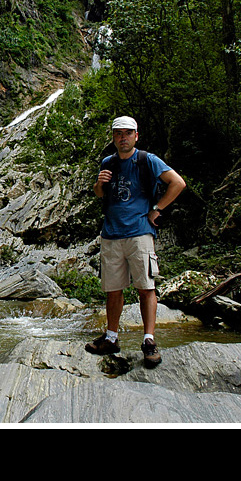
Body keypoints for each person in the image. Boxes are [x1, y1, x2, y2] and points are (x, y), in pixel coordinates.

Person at [85, 116, 185, 367]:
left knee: (146, 287)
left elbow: (178, 183)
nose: (123, 138)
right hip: (111, 234)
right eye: (118, 133)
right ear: (113, 137)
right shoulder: (108, 162)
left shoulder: (147, 160)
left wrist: (157, 209)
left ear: (136, 136)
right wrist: (99, 184)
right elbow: (99, 194)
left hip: (140, 233)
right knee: (113, 290)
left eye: (128, 133)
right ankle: (111, 337)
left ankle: (149, 340)